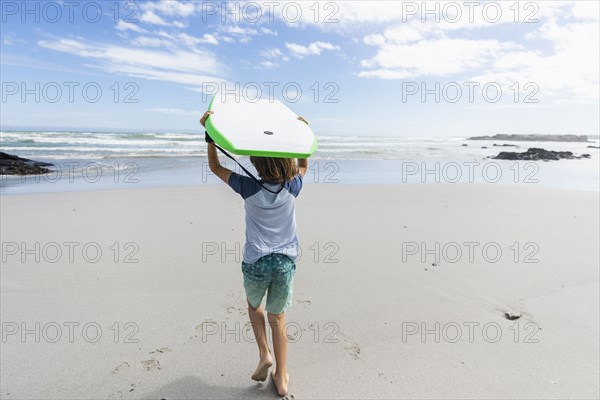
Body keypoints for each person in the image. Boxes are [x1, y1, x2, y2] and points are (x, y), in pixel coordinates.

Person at [200, 111, 309, 397]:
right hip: (285, 263)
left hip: (256, 262)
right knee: (279, 318)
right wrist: (301, 136)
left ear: (256, 163)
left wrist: (210, 136)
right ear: (287, 160)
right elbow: (304, 165)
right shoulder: (293, 186)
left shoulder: (248, 187)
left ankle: (265, 354)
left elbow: (214, 167)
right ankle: (281, 377)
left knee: (253, 306)